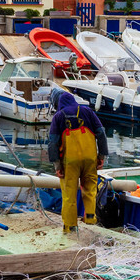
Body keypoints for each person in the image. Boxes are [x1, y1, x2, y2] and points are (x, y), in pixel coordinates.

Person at [47, 89, 107, 233]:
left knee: (69, 194)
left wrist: (57, 165)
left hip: (70, 162)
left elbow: (53, 142)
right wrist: (102, 156)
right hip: (89, 159)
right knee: (90, 189)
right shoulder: (88, 112)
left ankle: (70, 226)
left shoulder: (58, 117)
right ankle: (91, 218)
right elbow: (101, 133)